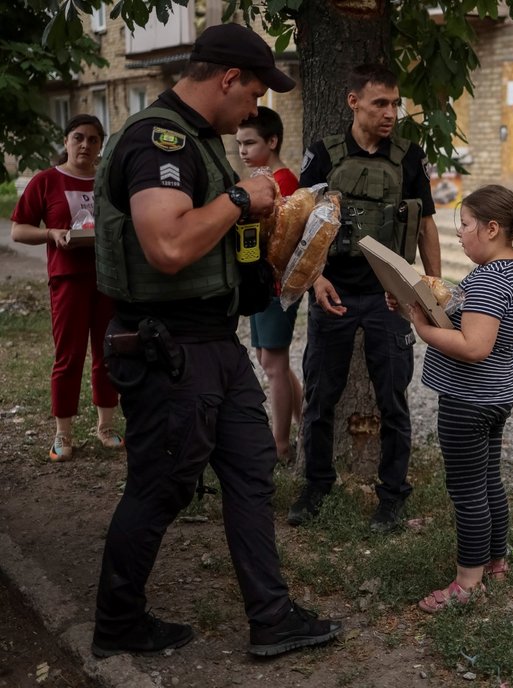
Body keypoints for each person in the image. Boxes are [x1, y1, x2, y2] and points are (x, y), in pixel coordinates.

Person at [90, 23, 340, 658]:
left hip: (212, 345)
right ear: (227, 78)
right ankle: (117, 623)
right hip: (170, 348)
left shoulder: (197, 140)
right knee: (160, 486)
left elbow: (202, 232)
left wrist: (254, 223)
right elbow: (167, 244)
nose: (254, 110)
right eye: (253, 93)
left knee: (252, 472)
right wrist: (238, 196)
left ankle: (272, 617)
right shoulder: (158, 139)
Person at [288, 63, 441, 532]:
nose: (391, 113)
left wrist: (431, 288)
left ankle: (392, 497)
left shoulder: (408, 157)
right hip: (331, 291)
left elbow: (427, 224)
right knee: (319, 399)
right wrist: (314, 280)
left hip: (390, 298)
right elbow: (300, 221)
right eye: (380, 103)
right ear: (353, 102)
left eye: (395, 104)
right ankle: (315, 486)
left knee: (392, 400)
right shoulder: (323, 154)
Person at [398, 184, 513, 611]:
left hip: (468, 400)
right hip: (494, 396)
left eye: (464, 225)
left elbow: (474, 346)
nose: (460, 233)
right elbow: (470, 320)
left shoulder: (487, 279)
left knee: (467, 490)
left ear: (491, 228)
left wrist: (424, 331)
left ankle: (467, 583)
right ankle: (496, 562)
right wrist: (417, 307)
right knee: (486, 482)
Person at [10, 114, 122, 461]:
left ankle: (106, 426)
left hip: (107, 279)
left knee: (108, 354)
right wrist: (50, 234)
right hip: (68, 281)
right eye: (78, 138)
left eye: (92, 139)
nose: (85, 145)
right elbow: (18, 230)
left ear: (101, 144)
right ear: (66, 141)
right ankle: (64, 433)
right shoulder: (46, 181)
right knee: (69, 355)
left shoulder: (108, 180)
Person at [235, 106, 303, 461]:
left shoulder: (284, 180)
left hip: (278, 284)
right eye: (239, 144)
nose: (242, 151)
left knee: (275, 365)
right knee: (268, 359)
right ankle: (304, 423)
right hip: (262, 284)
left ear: (272, 140)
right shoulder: (259, 178)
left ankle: (280, 446)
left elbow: (283, 236)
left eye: (250, 142)